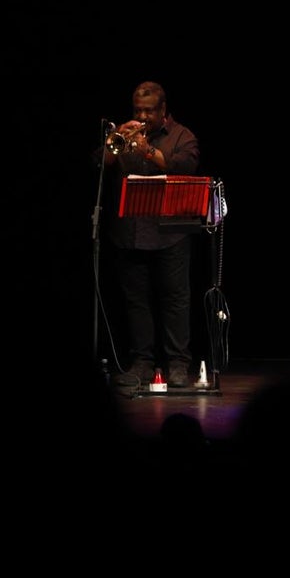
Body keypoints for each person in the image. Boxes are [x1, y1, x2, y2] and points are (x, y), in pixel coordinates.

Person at [96, 81, 200, 389]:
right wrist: (113, 146)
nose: (143, 115)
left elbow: (186, 167)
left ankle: (178, 364)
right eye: (138, 109)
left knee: (175, 300)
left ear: (163, 110)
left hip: (170, 234)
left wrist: (150, 151)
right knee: (136, 301)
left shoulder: (182, 136)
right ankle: (141, 362)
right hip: (129, 233)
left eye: (149, 110)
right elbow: (96, 165)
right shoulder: (125, 134)